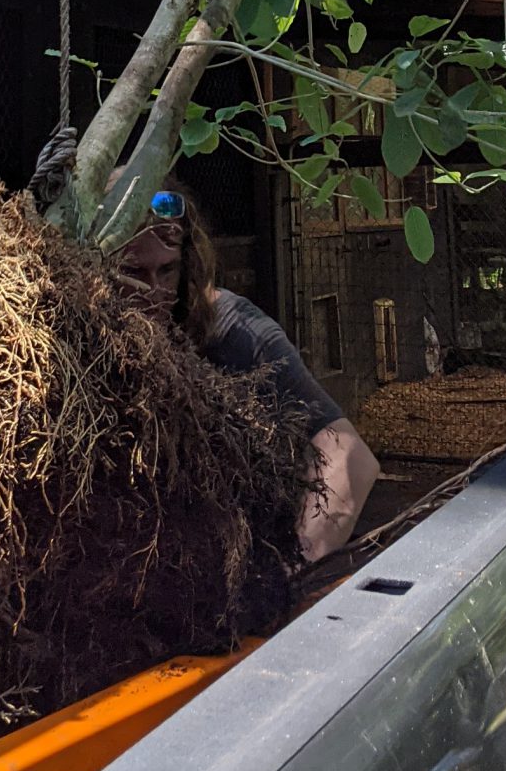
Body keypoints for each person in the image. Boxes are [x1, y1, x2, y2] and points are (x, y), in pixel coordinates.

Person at [110, 178, 381, 563]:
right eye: (133, 273)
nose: (153, 291)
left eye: (166, 271)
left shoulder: (235, 330)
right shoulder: (78, 336)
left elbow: (349, 453)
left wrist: (294, 566)